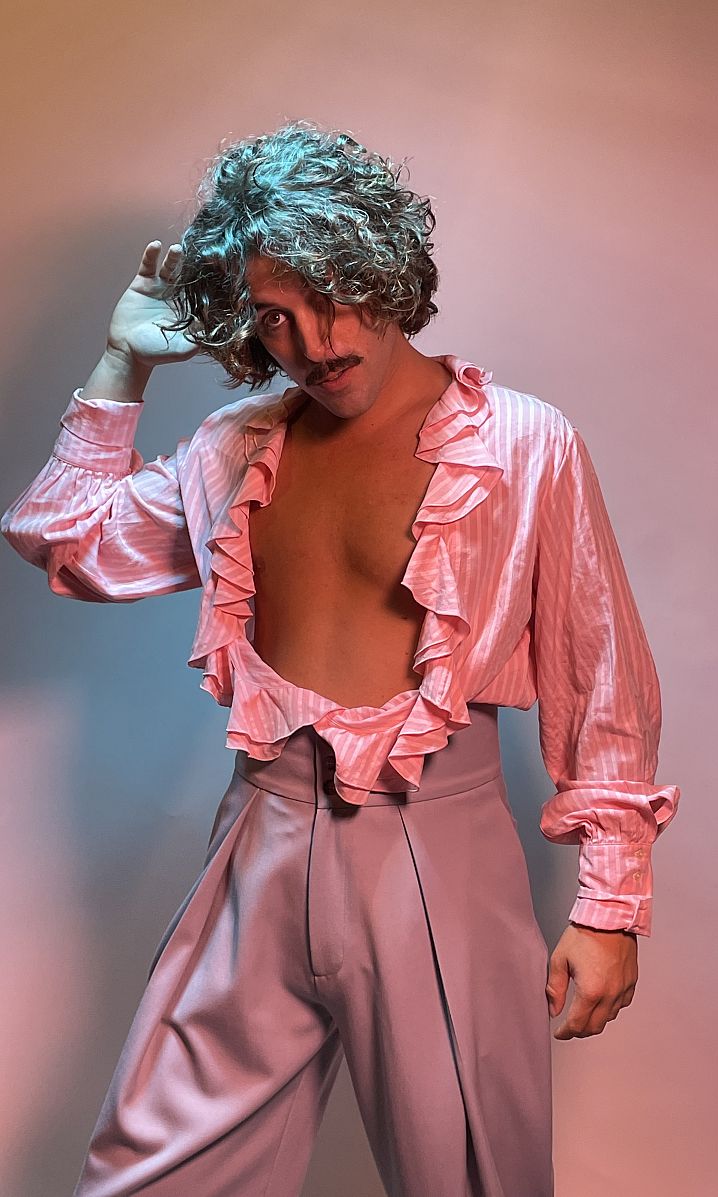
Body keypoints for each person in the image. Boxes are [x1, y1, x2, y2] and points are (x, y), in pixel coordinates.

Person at [0, 120, 681, 1197]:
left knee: (473, 1174)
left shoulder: (520, 443)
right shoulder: (238, 447)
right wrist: (123, 362)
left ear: (383, 269)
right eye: (275, 315)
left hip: (438, 852)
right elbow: (65, 540)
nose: (315, 341)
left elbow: (602, 681)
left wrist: (610, 904)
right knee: (147, 1175)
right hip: (258, 837)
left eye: (333, 293)